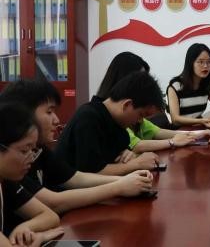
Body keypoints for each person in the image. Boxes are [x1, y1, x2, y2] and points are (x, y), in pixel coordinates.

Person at [0, 79, 154, 214]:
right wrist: (119, 186)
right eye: (49, 112)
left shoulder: (40, 150)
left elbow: (74, 177)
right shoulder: (11, 162)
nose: (56, 120)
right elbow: (54, 203)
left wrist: (126, 181)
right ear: (22, 115)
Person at [96, 52, 210, 153]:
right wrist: (172, 142)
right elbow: (136, 146)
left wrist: (199, 134)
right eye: (140, 80)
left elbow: (158, 132)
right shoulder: (110, 116)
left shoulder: (134, 112)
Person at [55, 71, 164, 175]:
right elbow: (91, 173)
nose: (140, 121)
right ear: (127, 105)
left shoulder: (118, 126)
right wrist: (136, 164)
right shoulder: (88, 118)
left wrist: (130, 155)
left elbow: (120, 160)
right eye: (141, 115)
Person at [0, 102, 63, 246]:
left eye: (32, 150)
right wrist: (39, 239)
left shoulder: (6, 180)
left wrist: (24, 228)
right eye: (24, 151)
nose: (31, 158)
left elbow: (51, 216)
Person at [166, 43, 210, 128]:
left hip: (197, 129)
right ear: (190, 63)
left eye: (209, 62)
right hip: (178, 132)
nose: (205, 66)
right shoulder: (175, 87)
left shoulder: (206, 86)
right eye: (200, 62)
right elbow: (175, 119)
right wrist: (202, 121)